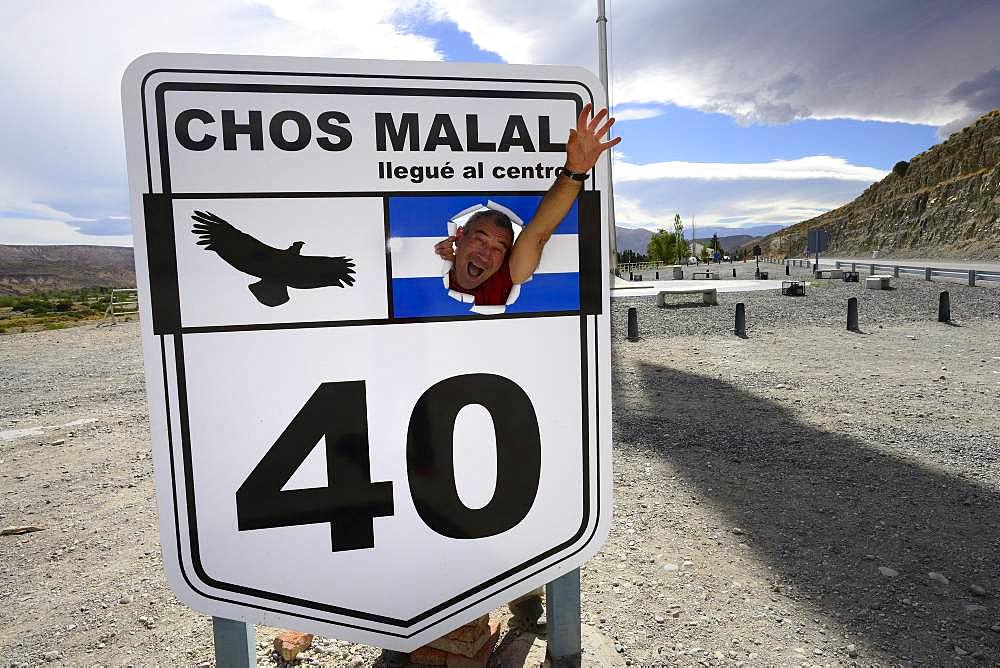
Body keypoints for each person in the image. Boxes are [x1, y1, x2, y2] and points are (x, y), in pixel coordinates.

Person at [434, 103, 621, 305]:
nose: (486, 254)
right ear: (459, 235)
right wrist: (447, 261)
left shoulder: (504, 280)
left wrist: (574, 171)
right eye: (480, 240)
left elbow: (538, 234)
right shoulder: (439, 264)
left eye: (499, 249)